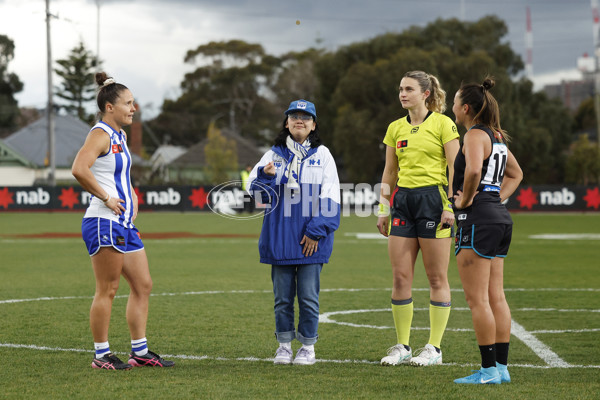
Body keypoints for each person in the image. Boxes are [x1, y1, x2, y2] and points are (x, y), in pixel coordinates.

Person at [72, 72, 174, 370]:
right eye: (128, 103)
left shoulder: (120, 135)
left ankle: (139, 352)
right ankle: (101, 355)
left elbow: (119, 174)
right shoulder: (100, 133)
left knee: (143, 285)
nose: (134, 108)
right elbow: (80, 168)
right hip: (103, 221)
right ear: (109, 108)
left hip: (123, 223)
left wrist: (131, 195)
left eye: (133, 102)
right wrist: (106, 197)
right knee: (109, 288)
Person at [247, 99, 340, 365]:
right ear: (286, 123)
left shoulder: (323, 155)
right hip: (280, 239)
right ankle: (284, 346)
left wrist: (315, 232)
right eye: (294, 116)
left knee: (309, 298)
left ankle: (308, 348)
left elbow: (331, 198)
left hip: (312, 241)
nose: (299, 120)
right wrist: (264, 177)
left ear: (313, 125)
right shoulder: (271, 155)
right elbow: (256, 198)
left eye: (305, 117)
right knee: (282, 300)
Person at [376, 71, 460, 366]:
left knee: (436, 278)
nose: (402, 93)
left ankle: (434, 348)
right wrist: (383, 208)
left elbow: (454, 168)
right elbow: (389, 172)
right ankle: (402, 346)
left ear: (426, 93)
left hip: (433, 202)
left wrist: (451, 205)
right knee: (400, 278)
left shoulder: (443, 124)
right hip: (403, 203)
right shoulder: (395, 128)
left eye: (409, 89)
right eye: (400, 89)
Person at [451, 77, 523, 384]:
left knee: (477, 299)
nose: (452, 107)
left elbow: (474, 170)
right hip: (498, 218)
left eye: (454, 103)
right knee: (496, 295)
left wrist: (465, 200)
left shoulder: (473, 135)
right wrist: (496, 197)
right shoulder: (496, 136)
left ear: (466, 108)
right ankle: (501, 369)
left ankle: (489, 370)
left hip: (477, 220)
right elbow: (516, 174)